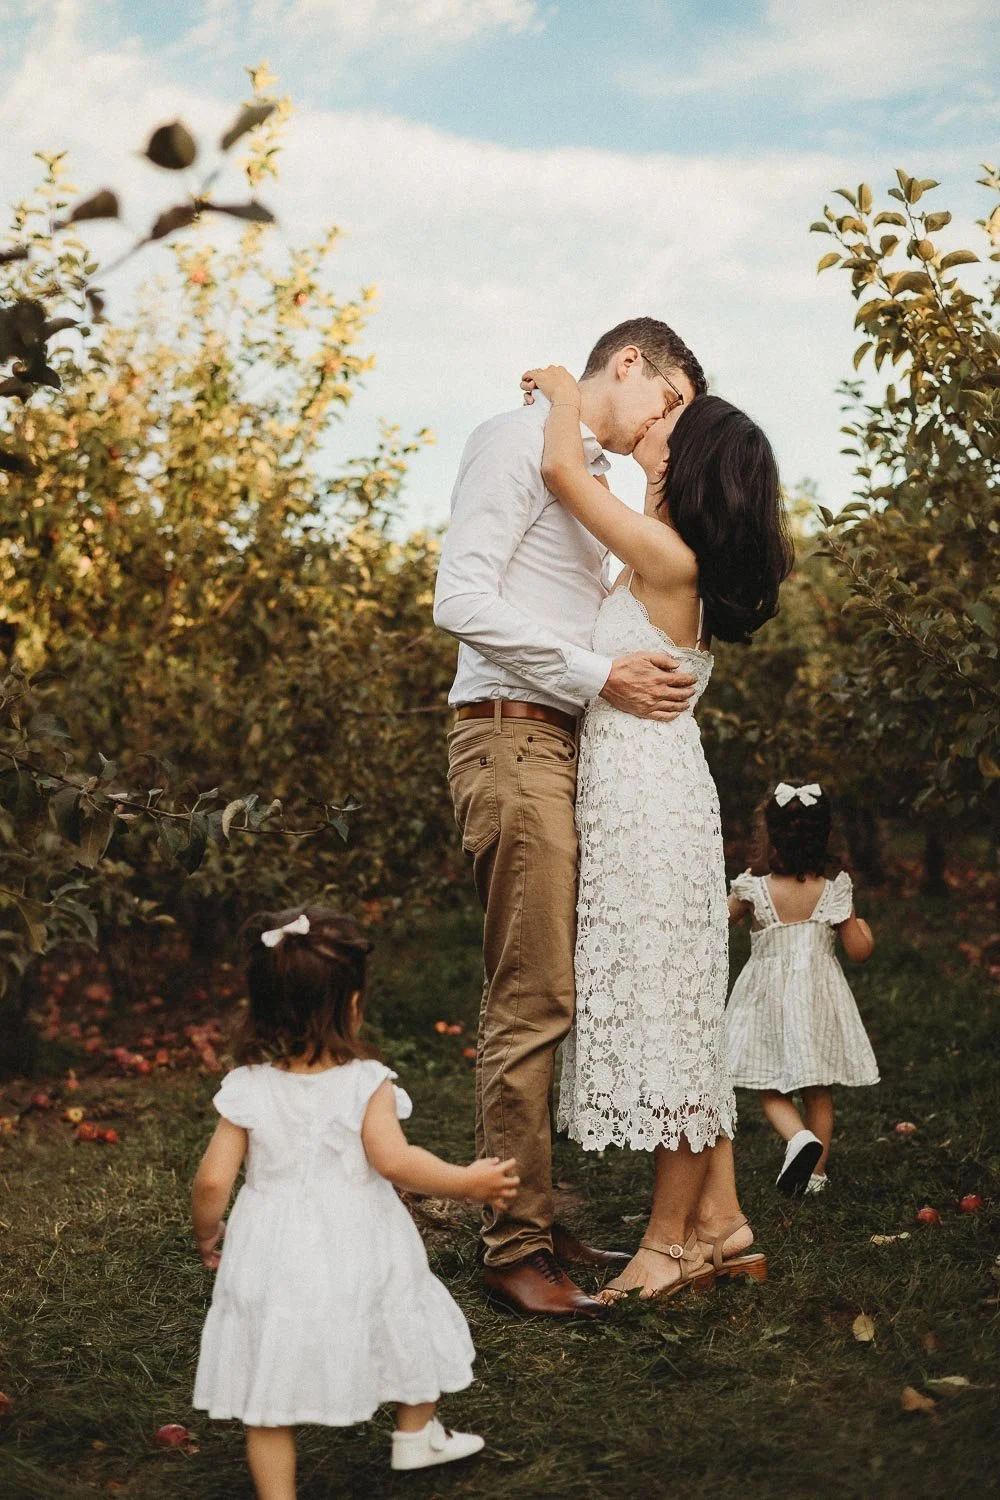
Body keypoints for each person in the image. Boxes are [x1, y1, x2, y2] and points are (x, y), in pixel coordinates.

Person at [433, 319, 708, 1317]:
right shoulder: (515, 440)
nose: (661, 428)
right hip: (510, 739)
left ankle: (536, 1223)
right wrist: (598, 675)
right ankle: (512, 1249)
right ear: (629, 363)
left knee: (551, 987)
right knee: (533, 995)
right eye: (666, 402)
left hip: (553, 745)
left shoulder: (570, 460)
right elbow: (455, 596)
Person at [518, 362, 793, 1300]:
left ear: (693, 456)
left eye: (680, 417)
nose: (660, 419)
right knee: (675, 1015)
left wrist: (562, 391)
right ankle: (723, 1221)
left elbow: (563, 474)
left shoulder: (672, 561)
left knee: (669, 1025)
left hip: (650, 808)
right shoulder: (659, 545)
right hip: (637, 795)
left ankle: (667, 1246)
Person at [190, 905, 519, 1497]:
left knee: (271, 1371)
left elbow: (213, 1181)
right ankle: (415, 1433)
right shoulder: (367, 1082)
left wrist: (208, 1234)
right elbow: (396, 1162)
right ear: (352, 1004)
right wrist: (467, 1181)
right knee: (401, 1316)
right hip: (361, 1233)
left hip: (273, 1242)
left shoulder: (247, 1087)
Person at [726, 783, 878, 1195]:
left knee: (770, 1086)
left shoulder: (753, 890)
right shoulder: (832, 891)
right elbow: (859, 950)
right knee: (819, 1090)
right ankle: (816, 1176)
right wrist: (862, 927)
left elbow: (718, 923)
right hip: (817, 1000)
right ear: (825, 836)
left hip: (768, 999)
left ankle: (797, 1138)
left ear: (771, 835)